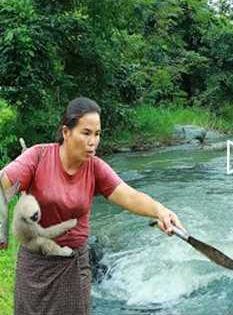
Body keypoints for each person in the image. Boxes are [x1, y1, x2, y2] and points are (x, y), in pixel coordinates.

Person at [0, 97, 186, 315]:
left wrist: (161, 211)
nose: (93, 141)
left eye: (97, 134)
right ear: (66, 132)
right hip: (34, 265)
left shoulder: (95, 168)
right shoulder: (38, 156)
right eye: (86, 133)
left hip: (73, 266)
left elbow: (129, 196)